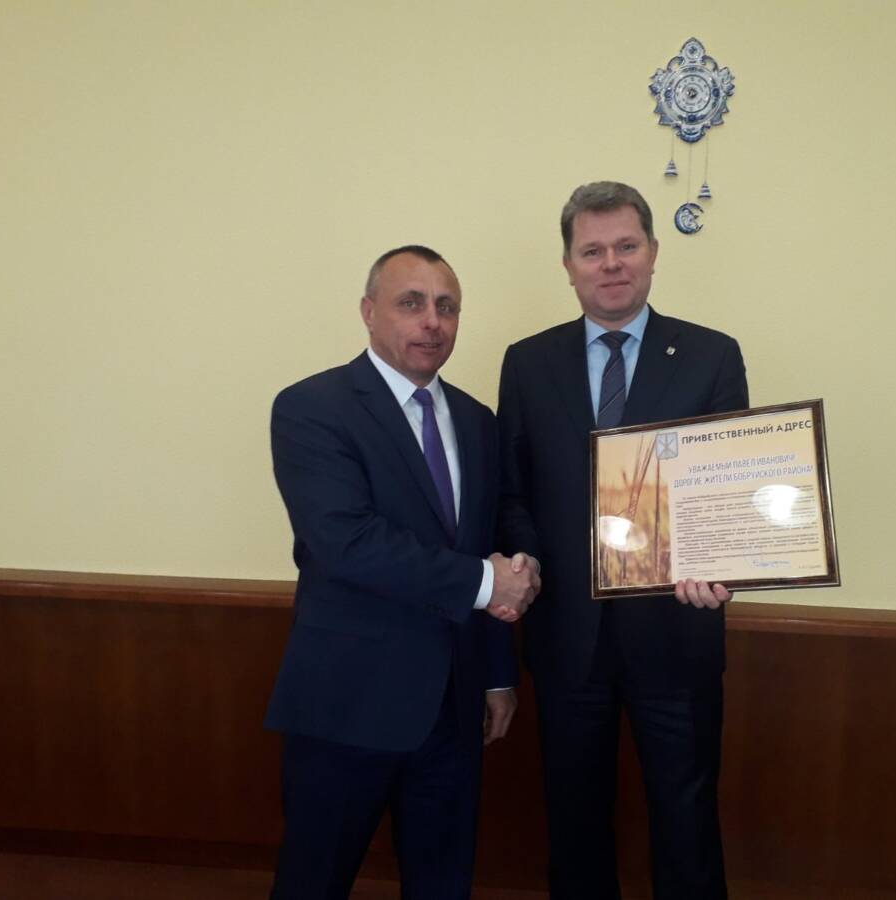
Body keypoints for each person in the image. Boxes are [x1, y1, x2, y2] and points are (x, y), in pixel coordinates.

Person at [497, 182, 749, 900]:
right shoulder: (528, 362)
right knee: (574, 822)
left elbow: (727, 488)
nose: (611, 263)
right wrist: (525, 559)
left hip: (677, 632)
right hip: (567, 639)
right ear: (569, 265)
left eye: (626, 246)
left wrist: (716, 560)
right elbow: (513, 490)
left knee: (687, 819)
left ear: (653, 253)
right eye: (593, 250)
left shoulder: (709, 355)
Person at [265, 245, 540, 900]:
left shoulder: (477, 422)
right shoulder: (311, 407)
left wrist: (496, 674)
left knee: (443, 882)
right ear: (368, 311)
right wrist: (487, 583)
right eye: (411, 303)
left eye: (447, 307)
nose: (432, 322)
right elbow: (347, 542)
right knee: (313, 882)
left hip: (453, 709)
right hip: (347, 706)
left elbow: (489, 540)